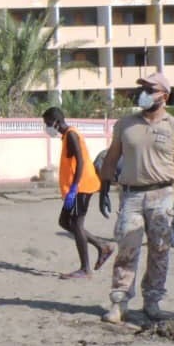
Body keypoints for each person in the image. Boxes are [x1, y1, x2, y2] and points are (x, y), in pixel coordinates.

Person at [97, 72, 174, 324]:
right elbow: (111, 158)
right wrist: (103, 189)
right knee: (127, 248)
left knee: (160, 249)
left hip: (163, 195)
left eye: (150, 89)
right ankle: (120, 302)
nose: (143, 94)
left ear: (164, 96)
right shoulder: (125, 124)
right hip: (131, 195)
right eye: (142, 88)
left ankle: (152, 301)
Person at [42, 108, 114, 279]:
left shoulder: (72, 135)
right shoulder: (66, 136)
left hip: (81, 187)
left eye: (47, 123)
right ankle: (102, 246)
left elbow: (81, 162)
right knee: (64, 222)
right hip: (75, 188)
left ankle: (85, 269)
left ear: (56, 122)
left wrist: (74, 188)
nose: (46, 127)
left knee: (76, 224)